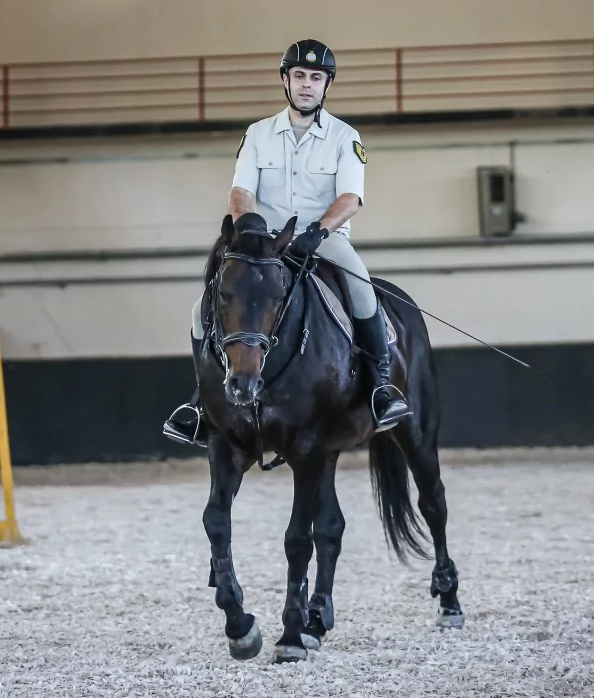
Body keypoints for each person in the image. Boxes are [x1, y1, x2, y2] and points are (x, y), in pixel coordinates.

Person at [162, 39, 413, 447]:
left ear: (326, 85)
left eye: (316, 77)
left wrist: (319, 231)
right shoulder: (258, 134)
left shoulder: (344, 137)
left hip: (323, 240)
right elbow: (241, 191)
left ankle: (381, 388)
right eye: (299, 76)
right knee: (199, 311)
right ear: (286, 80)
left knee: (363, 291)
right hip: (267, 246)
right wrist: (249, 227)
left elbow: (351, 198)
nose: (307, 84)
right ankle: (201, 403)